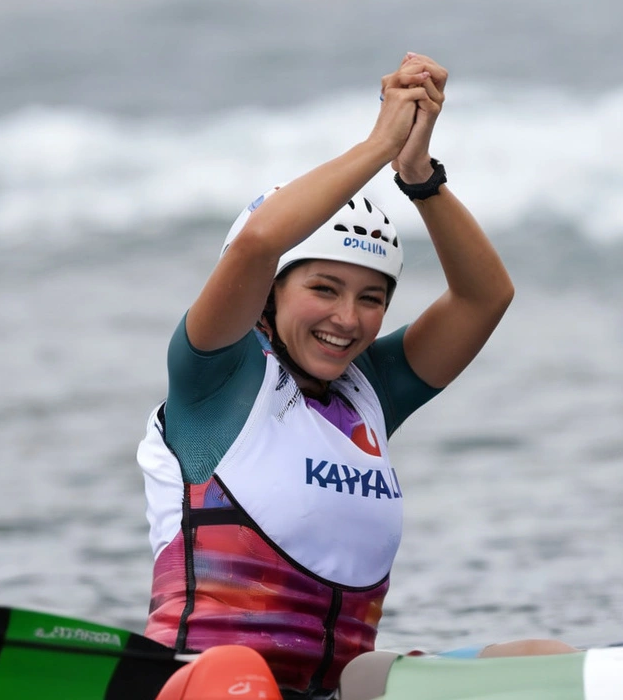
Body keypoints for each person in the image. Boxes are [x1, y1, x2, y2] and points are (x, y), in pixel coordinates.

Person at [135, 53, 568, 700]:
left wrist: (417, 175)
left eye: (372, 297)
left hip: (337, 690)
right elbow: (256, 244)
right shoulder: (215, 376)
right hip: (200, 683)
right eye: (325, 288)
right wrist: (379, 144)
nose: (348, 318)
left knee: (543, 658)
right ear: (267, 295)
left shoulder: (371, 391)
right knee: (239, 676)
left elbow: (484, 298)